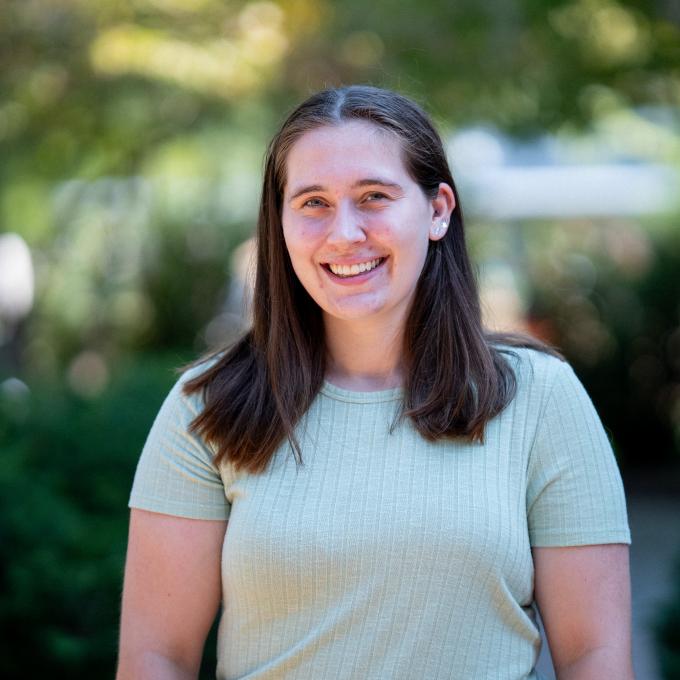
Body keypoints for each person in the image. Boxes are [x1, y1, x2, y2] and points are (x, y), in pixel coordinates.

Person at [116, 85, 633, 680]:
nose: (344, 233)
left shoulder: (540, 398)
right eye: (312, 203)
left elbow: (596, 656)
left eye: (373, 196)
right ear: (279, 223)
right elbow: (157, 658)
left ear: (438, 210)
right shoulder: (207, 406)